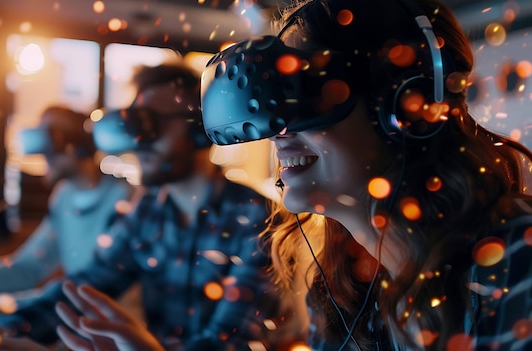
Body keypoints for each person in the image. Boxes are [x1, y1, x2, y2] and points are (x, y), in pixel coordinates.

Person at [62, 0, 532, 350]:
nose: (278, 132)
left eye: (307, 94)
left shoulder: (513, 266)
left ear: (405, 105)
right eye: (274, 101)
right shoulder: (342, 286)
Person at [0, 60, 300, 351]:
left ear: (198, 129)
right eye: (134, 124)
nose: (138, 139)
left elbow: (231, 341)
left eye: (150, 123)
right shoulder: (147, 210)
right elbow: (87, 286)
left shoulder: (259, 218)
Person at [0, 106, 137, 312]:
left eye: (52, 137)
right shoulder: (64, 196)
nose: (42, 150)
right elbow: (28, 268)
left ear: (78, 147)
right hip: (80, 327)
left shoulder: (125, 200)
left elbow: (86, 295)